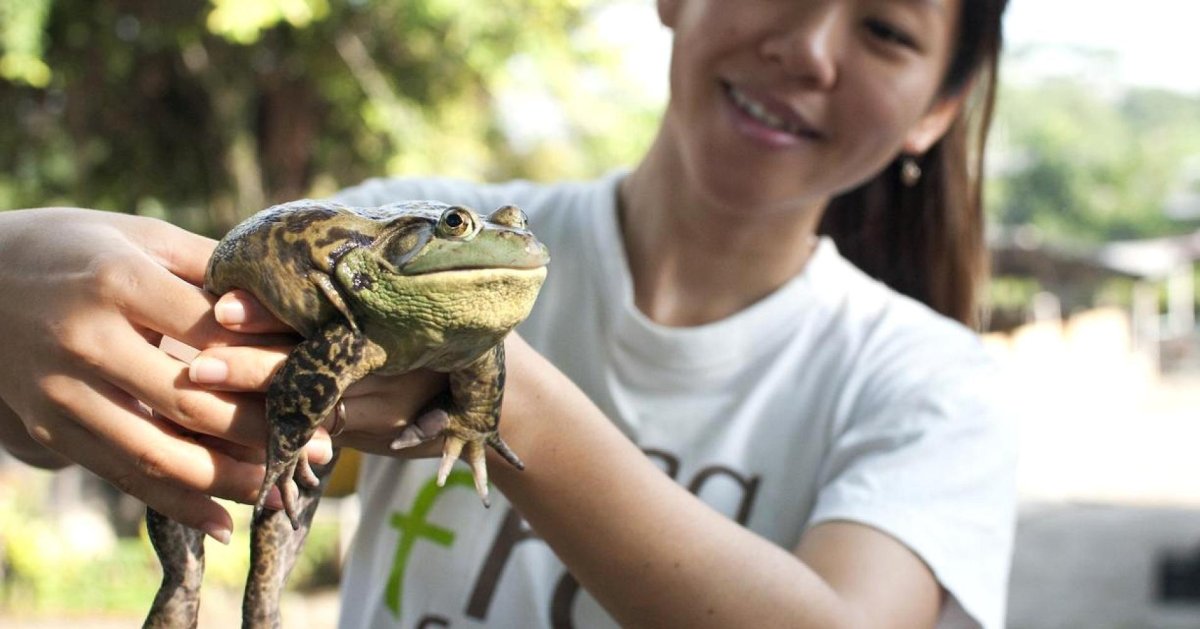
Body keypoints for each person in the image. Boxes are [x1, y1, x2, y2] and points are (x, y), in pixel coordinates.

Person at [0, 0, 1016, 627]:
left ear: (939, 106)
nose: (809, 45)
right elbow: (148, 394)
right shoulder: (391, 224)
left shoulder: (934, 384)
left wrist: (491, 382)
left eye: (886, 28)